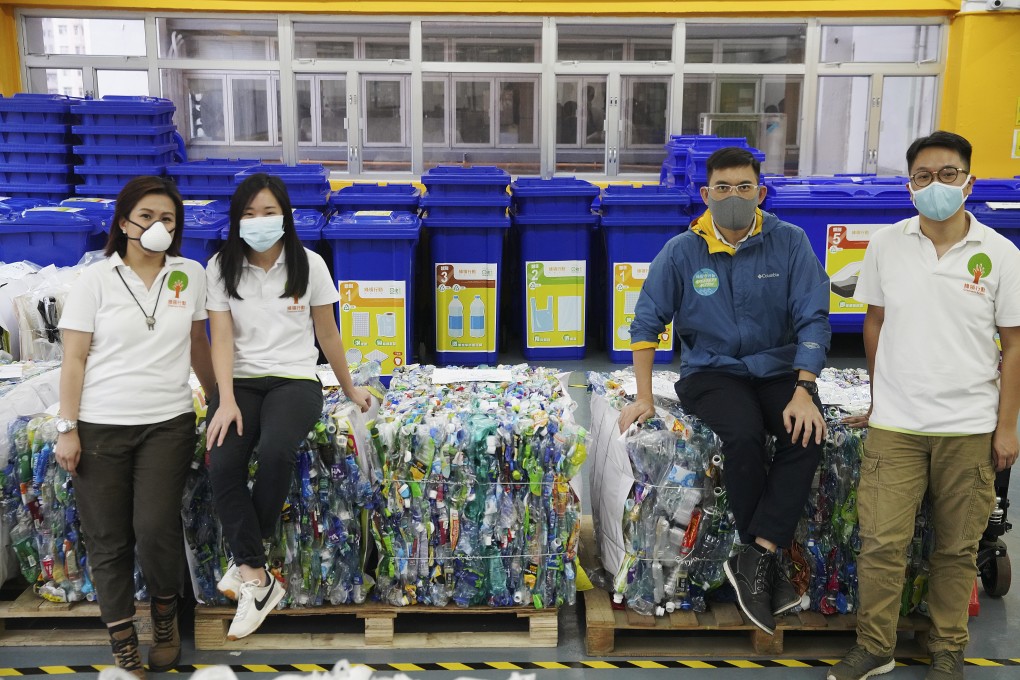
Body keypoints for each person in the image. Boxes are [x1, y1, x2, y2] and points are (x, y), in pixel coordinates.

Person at [829, 131, 1020, 680]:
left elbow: (1015, 344)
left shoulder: (1000, 255)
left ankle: (947, 650)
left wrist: (1007, 427)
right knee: (881, 544)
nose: (936, 185)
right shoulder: (886, 244)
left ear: (969, 181)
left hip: (969, 426)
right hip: (897, 426)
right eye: (923, 176)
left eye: (948, 174)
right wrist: (878, 396)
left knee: (957, 549)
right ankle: (874, 646)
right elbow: (875, 323)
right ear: (909, 184)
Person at [618, 146, 831, 636]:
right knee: (742, 434)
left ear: (761, 191)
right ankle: (764, 558)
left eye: (743, 187)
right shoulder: (682, 250)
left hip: (778, 368)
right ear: (705, 193)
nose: (733, 196)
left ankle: (758, 554)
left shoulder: (791, 243)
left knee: (807, 434)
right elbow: (647, 321)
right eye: (723, 188)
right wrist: (644, 395)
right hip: (711, 371)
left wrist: (804, 390)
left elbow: (813, 319)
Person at [54, 176, 215, 677]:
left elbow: (197, 344)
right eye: (146, 216)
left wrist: (217, 399)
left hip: (167, 422)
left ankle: (165, 615)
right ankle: (123, 641)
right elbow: (74, 360)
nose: (157, 226)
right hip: (100, 426)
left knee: (155, 528)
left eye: (168, 218)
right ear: (124, 222)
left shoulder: (189, 275)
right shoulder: (94, 281)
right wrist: (67, 427)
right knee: (108, 537)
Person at [205, 173, 372, 641]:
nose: (260, 221)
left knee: (277, 450)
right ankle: (258, 578)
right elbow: (220, 339)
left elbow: (328, 334)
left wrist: (350, 387)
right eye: (249, 213)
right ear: (237, 220)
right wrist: (223, 399)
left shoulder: (310, 264)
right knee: (223, 463)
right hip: (240, 381)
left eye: (269, 212)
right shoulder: (220, 267)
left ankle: (246, 567)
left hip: (296, 379)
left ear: (286, 215)